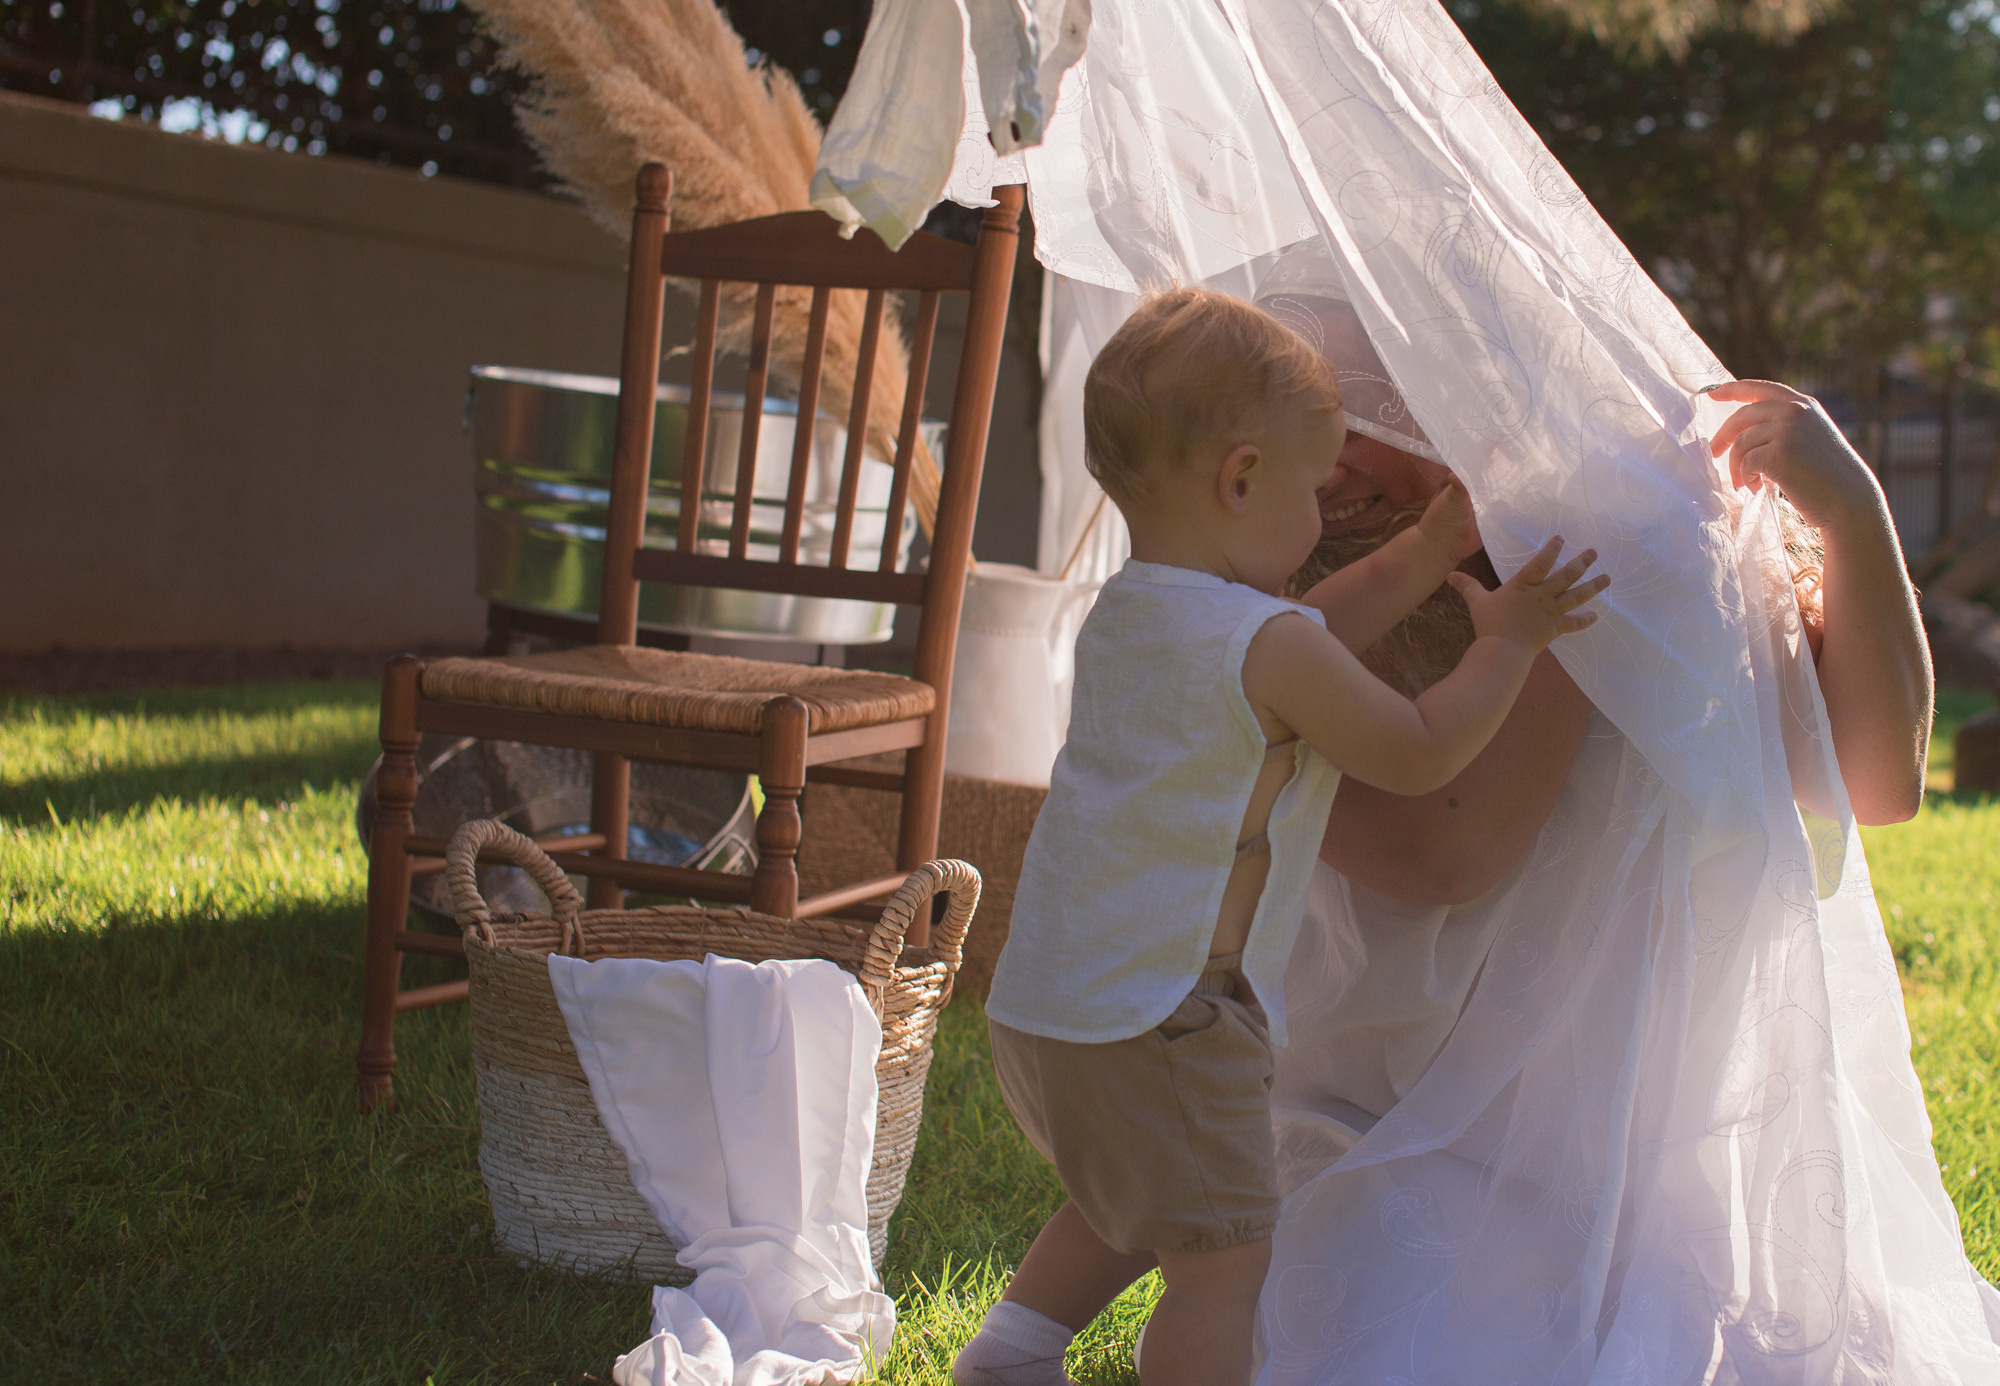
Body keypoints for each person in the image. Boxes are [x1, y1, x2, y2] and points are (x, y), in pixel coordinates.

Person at [952, 288, 1605, 1386]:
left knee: (1135, 1184)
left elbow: (1319, 622)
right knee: (1219, 1262)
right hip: (1171, 1011)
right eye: (1311, 484)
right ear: (1242, 479)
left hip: (1057, 1005)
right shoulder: (1267, 650)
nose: (1326, 510)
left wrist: (1430, 541)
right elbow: (1415, 754)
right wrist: (1507, 644)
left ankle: (1009, 1352)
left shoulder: (1136, 612)